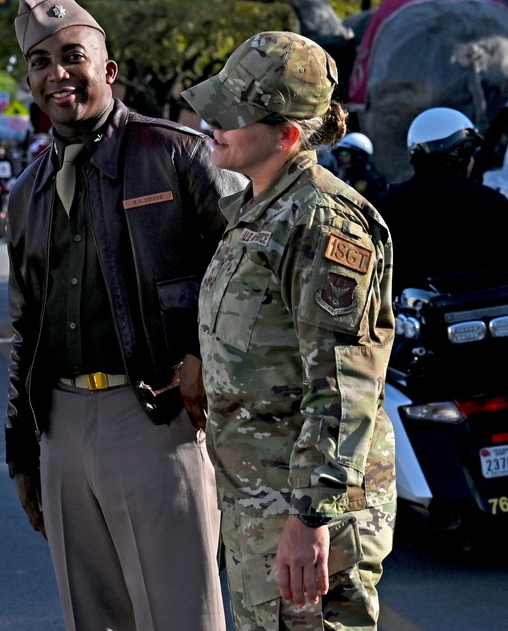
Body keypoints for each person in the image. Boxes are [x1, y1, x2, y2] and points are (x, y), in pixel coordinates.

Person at [6, 0, 244, 631]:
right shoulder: (25, 192)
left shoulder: (176, 154)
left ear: (108, 70)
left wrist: (204, 359)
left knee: (180, 616)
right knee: (96, 620)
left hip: (156, 417)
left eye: (72, 57)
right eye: (40, 63)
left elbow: (254, 264)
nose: (57, 73)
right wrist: (23, 451)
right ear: (28, 81)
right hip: (60, 427)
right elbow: (26, 327)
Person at [183, 31, 397, 630]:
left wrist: (311, 518)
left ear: (289, 135)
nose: (213, 124)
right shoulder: (258, 209)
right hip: (260, 500)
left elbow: (344, 383)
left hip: (306, 510)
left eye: (233, 115)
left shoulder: (322, 223)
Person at [374, 107, 508, 293]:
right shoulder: (493, 202)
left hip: (411, 318)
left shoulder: (384, 208)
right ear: (462, 152)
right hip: (489, 318)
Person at [332, 131, 388, 202]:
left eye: (344, 153)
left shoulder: (371, 180)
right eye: (339, 154)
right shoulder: (348, 177)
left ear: (358, 156)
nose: (340, 157)